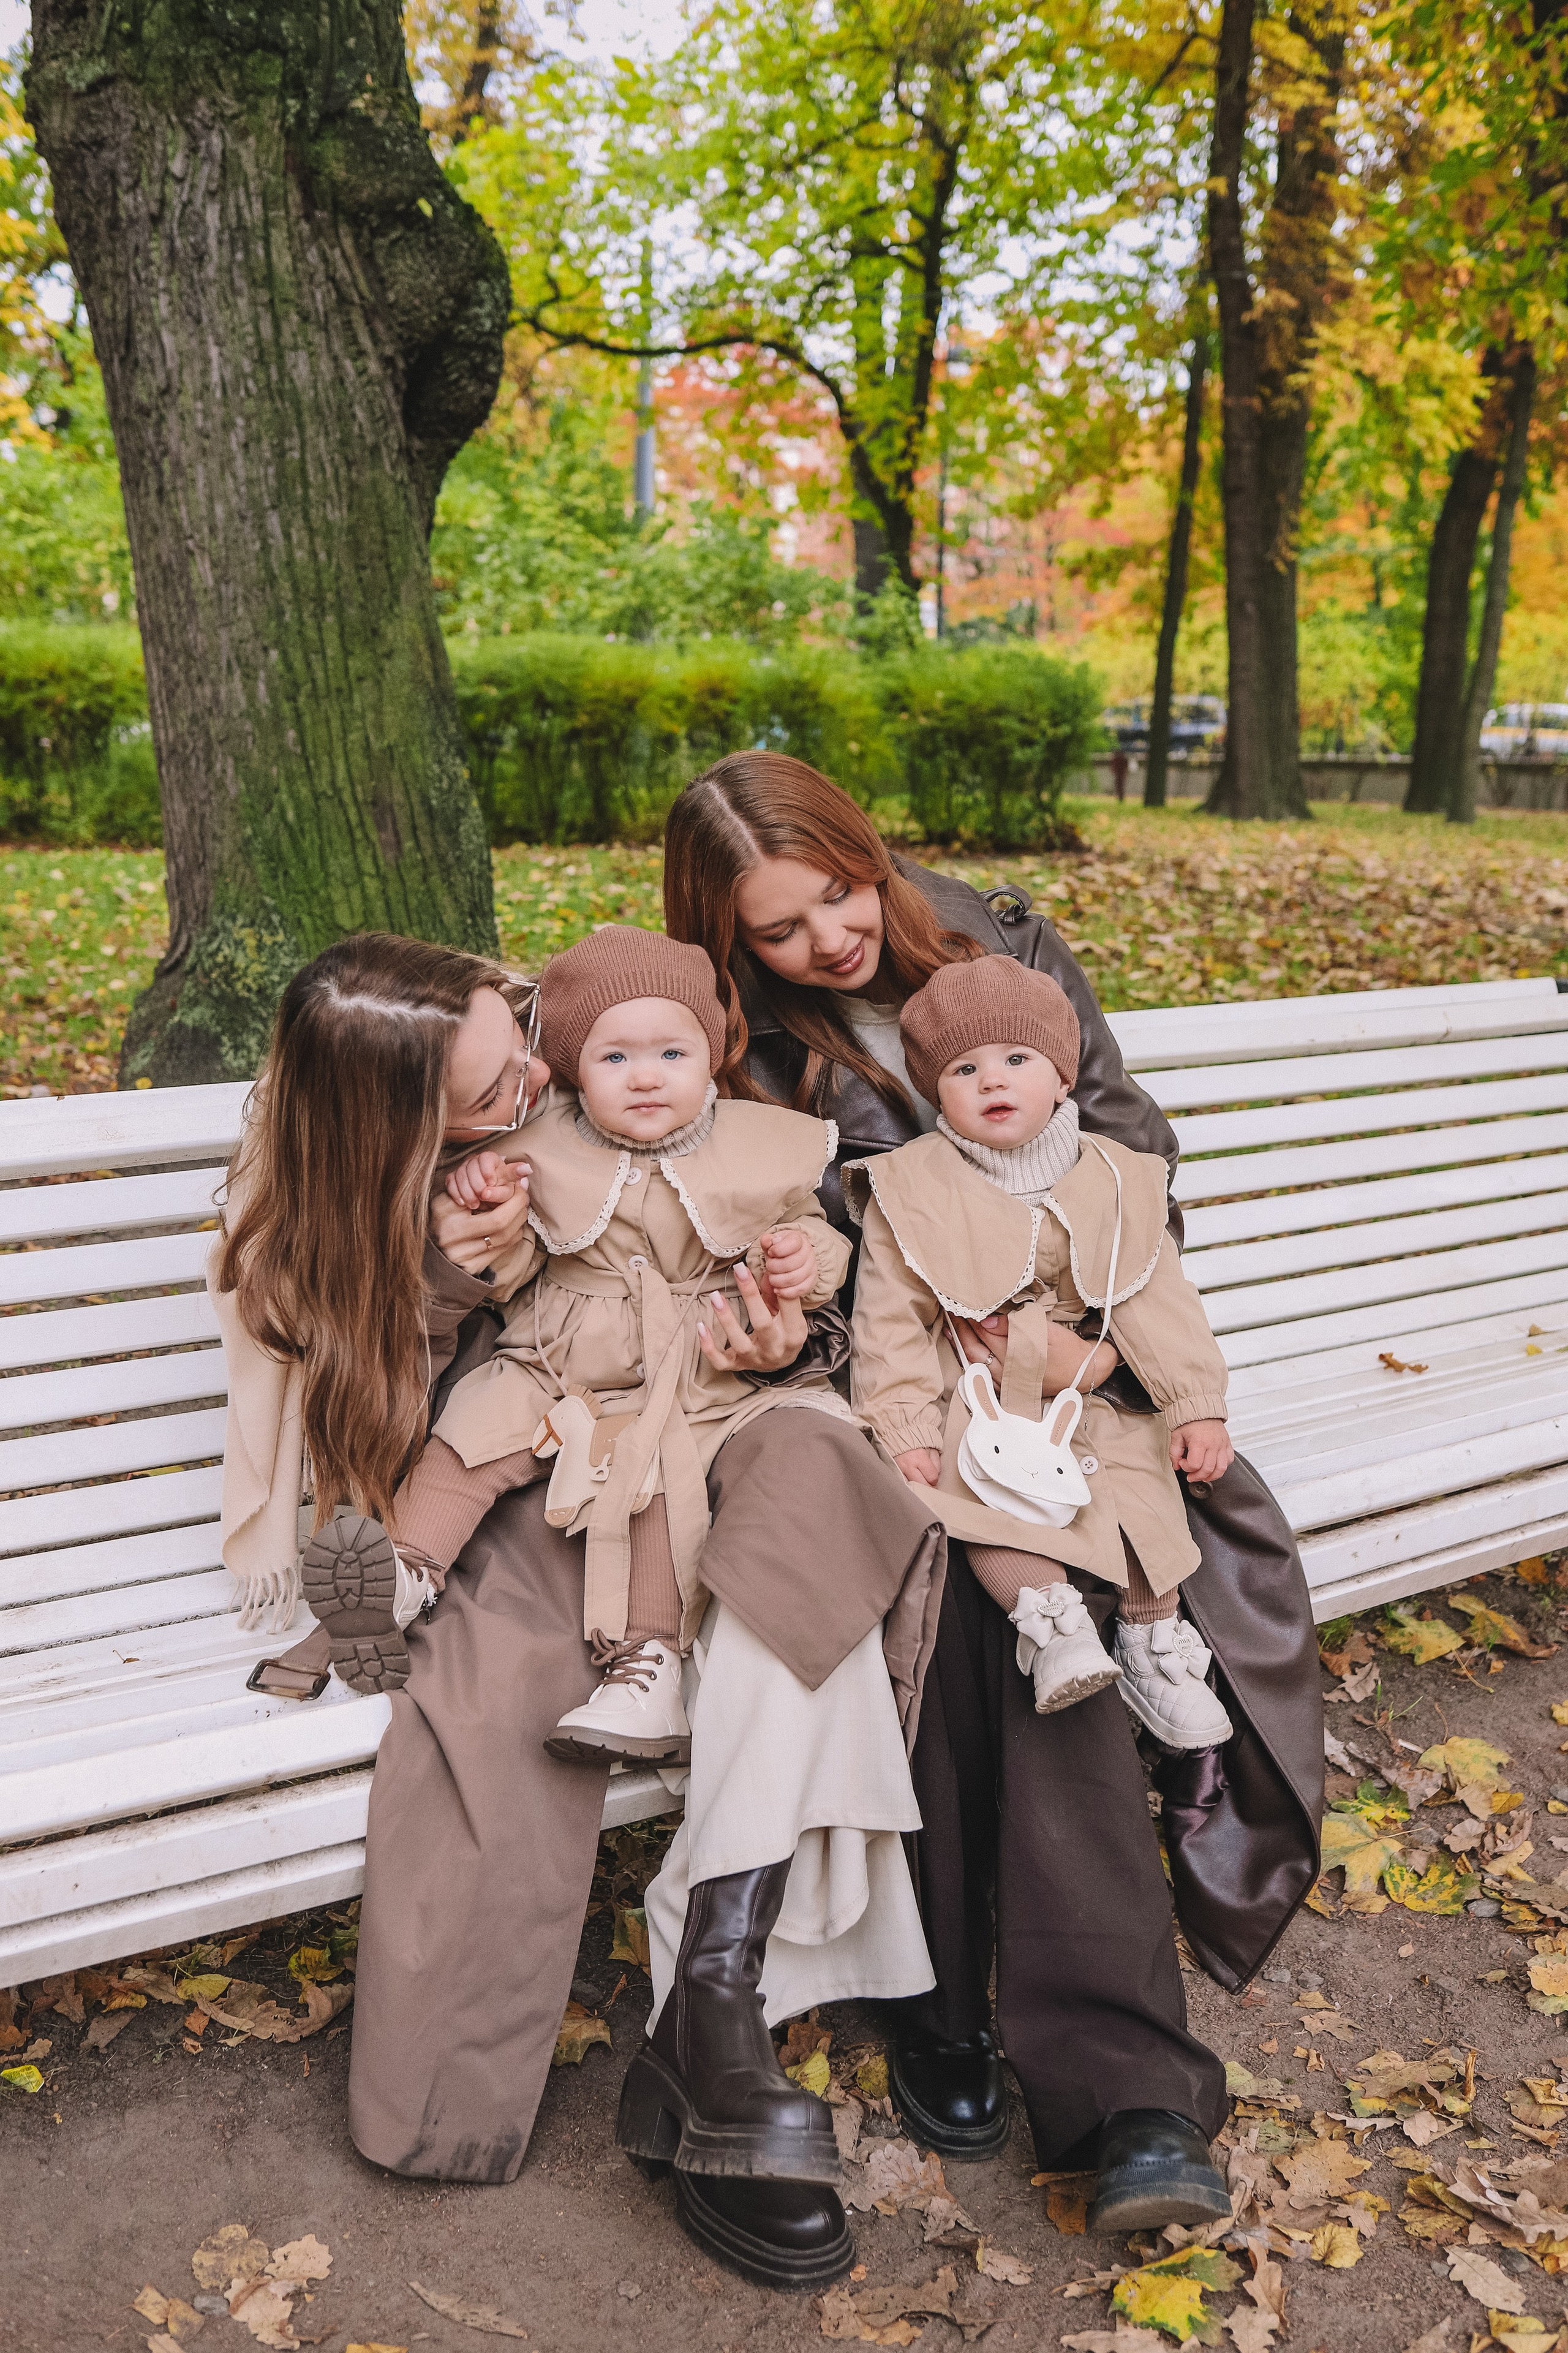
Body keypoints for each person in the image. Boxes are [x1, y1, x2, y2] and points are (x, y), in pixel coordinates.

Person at [211, 931, 948, 2287]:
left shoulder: (597, 1084)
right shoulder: (353, 1190)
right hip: (537, 1485)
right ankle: (702, 2037)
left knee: (813, 1510)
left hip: (727, 1426)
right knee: (490, 1712)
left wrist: (783, 1334)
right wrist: (443, 1278)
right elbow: (357, 1446)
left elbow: (758, 1229)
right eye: (502, 1089)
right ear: (407, 1123)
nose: (541, 1084)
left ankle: (709, 2000)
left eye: (527, 1040)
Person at [663, 750, 1324, 2235]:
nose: (828, 939)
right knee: (961, 1589)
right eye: (779, 930)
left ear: (864, 849)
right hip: (889, 1405)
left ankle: (1122, 2085)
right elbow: (761, 1244)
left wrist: (1072, 1337)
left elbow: (1138, 1153)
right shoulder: (745, 1051)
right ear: (730, 945)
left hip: (1090, 1383)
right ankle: (946, 1999)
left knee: (1059, 1606)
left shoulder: (1003, 944)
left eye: (836, 893)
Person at [295, 925, 853, 1770]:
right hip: (554, 1356)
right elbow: (517, 1268)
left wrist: (803, 1265)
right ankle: (403, 1569)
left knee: (664, 1482)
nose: (645, 1076)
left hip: (688, 1366)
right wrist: (486, 1216)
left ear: (712, 1053)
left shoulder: (754, 1142)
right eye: (614, 1059)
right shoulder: (544, 1143)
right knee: (477, 1427)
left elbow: (813, 1236)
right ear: (576, 1064)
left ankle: (648, 1664)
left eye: (673, 1052)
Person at [846, 956, 1233, 1751]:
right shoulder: (914, 1186)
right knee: (976, 1492)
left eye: (1018, 1060)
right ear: (937, 1091)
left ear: (1062, 1078)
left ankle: (1154, 1641)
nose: (994, 1080)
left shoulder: (1116, 1177)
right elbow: (889, 1317)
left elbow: (1156, 1301)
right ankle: (1051, 1626)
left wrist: (1195, 1402)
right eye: (964, 1067)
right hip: (973, 1384)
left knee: (1137, 1477)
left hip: (1079, 1387)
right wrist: (905, 1423)